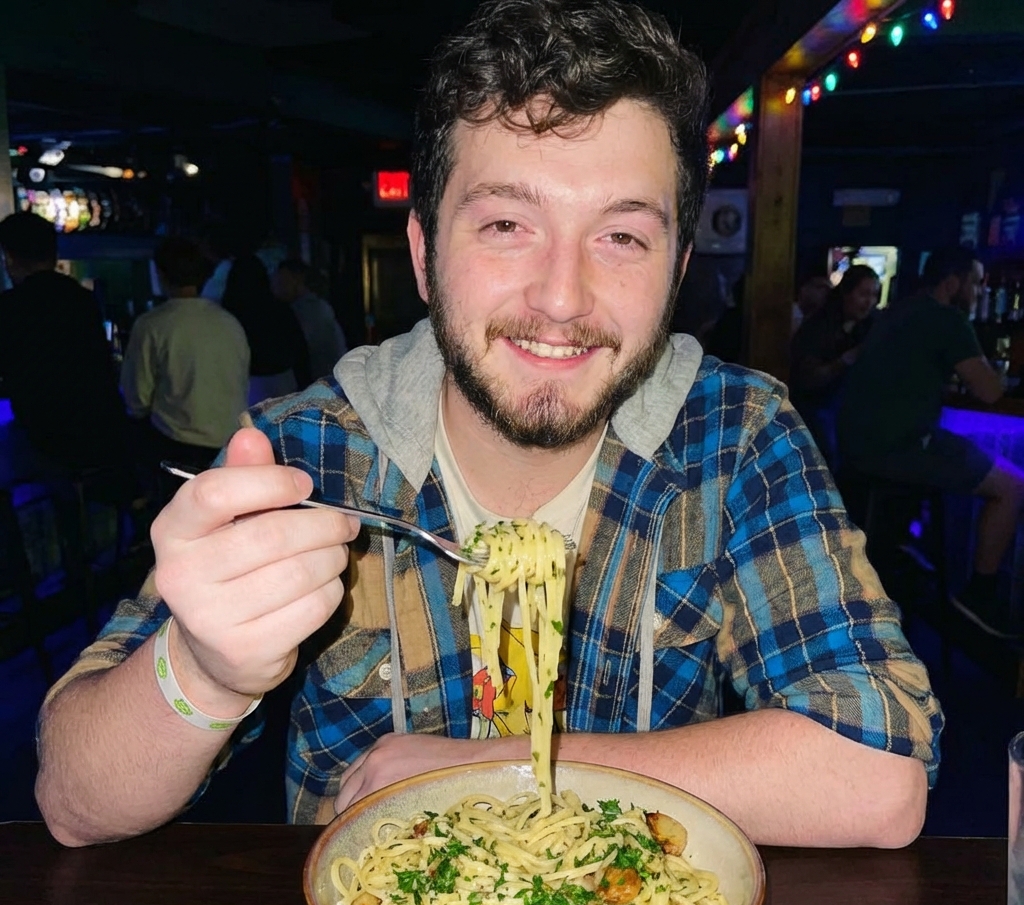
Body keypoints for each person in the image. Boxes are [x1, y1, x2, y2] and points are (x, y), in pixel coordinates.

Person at [36, 0, 941, 851]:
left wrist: (496, 767)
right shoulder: (307, 451)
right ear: (426, 256)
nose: (561, 298)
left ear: (676, 269)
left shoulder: (737, 435)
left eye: (622, 237)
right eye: (508, 223)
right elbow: (75, 803)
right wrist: (205, 668)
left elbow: (881, 771)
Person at [839, 246, 1024, 639]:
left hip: (857, 449)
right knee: (1013, 485)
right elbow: (990, 391)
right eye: (975, 282)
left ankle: (906, 554)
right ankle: (980, 594)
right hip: (899, 448)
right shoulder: (947, 319)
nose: (977, 292)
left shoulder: (895, 313)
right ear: (953, 281)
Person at [0, 212, 131, 484]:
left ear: (9, 258)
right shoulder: (83, 299)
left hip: (43, 438)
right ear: (54, 252)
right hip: (101, 431)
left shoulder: (10, 307)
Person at [120, 237, 250, 473]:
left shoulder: (152, 324)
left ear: (160, 274)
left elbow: (136, 399)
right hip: (232, 441)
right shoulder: (229, 322)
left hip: (178, 445)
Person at [789, 264, 881, 469]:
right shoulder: (819, 327)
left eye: (874, 295)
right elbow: (807, 379)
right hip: (815, 408)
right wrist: (844, 361)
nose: (870, 302)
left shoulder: (873, 325)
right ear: (846, 293)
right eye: (863, 294)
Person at [222, 254, 311, 404]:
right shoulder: (281, 310)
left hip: (245, 386)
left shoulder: (228, 316)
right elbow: (300, 351)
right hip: (283, 383)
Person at [272, 258, 348, 379]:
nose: (276, 287)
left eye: (282, 281)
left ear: (297, 279)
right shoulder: (311, 307)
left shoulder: (311, 310)